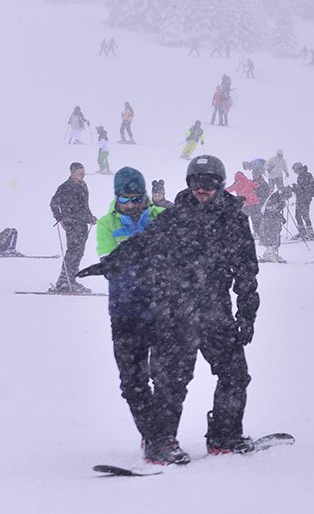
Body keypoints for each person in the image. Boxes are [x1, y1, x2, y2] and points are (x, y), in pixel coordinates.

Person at [78, 155, 261, 464]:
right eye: (195, 182)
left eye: (209, 183)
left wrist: (247, 314)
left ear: (220, 184)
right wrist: (109, 264)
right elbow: (143, 244)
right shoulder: (176, 217)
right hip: (177, 309)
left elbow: (246, 273)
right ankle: (161, 442)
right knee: (171, 381)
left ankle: (224, 435)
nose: (202, 189)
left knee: (234, 373)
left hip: (216, 310)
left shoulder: (233, 220)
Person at [92, 167, 168, 458]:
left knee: (166, 378)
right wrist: (148, 263)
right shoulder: (105, 224)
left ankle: (162, 436)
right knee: (133, 381)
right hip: (125, 312)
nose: (133, 204)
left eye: (139, 198)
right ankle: (152, 435)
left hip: (163, 310)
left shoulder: (160, 216)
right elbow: (113, 268)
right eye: (127, 199)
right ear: (117, 198)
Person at [49, 162, 98, 293]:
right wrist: (59, 218)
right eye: (79, 172)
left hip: (82, 224)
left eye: (83, 172)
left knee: (79, 252)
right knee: (73, 251)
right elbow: (53, 203)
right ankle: (64, 281)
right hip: (71, 223)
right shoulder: (65, 187)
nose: (83, 174)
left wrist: (90, 217)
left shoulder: (83, 185)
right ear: (72, 172)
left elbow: (84, 206)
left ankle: (69, 280)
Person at [229, 168, 263, 240]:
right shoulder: (249, 181)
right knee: (256, 220)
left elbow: (228, 190)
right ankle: (258, 233)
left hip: (245, 205)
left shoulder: (236, 184)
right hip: (255, 204)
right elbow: (257, 186)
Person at [258, 189, 289, 263]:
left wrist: (281, 216)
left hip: (274, 218)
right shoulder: (274, 197)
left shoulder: (278, 198)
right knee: (273, 235)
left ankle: (273, 253)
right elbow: (269, 209)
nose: (286, 199)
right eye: (286, 197)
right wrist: (279, 205)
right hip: (269, 219)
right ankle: (269, 253)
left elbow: (275, 210)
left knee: (277, 235)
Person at [290, 163, 314, 240]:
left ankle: (310, 233)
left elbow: (303, 189)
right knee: (298, 215)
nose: (295, 172)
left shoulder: (306, 176)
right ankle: (303, 232)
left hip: (305, 199)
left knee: (304, 215)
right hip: (301, 198)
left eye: (295, 171)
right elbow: (301, 189)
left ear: (299, 169)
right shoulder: (301, 176)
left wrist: (295, 188)